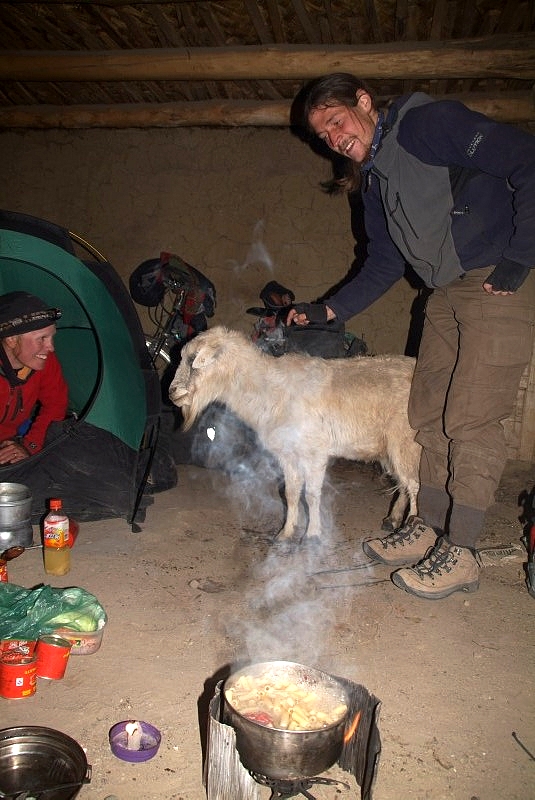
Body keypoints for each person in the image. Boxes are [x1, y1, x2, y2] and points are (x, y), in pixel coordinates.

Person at [287, 73, 535, 599]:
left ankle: (461, 549)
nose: (333, 139)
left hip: (498, 279)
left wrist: (521, 257)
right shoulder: (371, 178)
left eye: (336, 121)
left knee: (472, 415)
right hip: (444, 290)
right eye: (323, 137)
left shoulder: (428, 124)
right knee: (426, 413)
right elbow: (382, 261)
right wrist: (328, 310)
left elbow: (526, 158)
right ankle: (430, 525)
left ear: (364, 102)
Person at [0, 291, 68, 465]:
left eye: (52, 337)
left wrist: (28, 446)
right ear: (11, 339)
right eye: (42, 339)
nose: (51, 347)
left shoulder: (46, 362)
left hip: (12, 439)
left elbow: (55, 406)